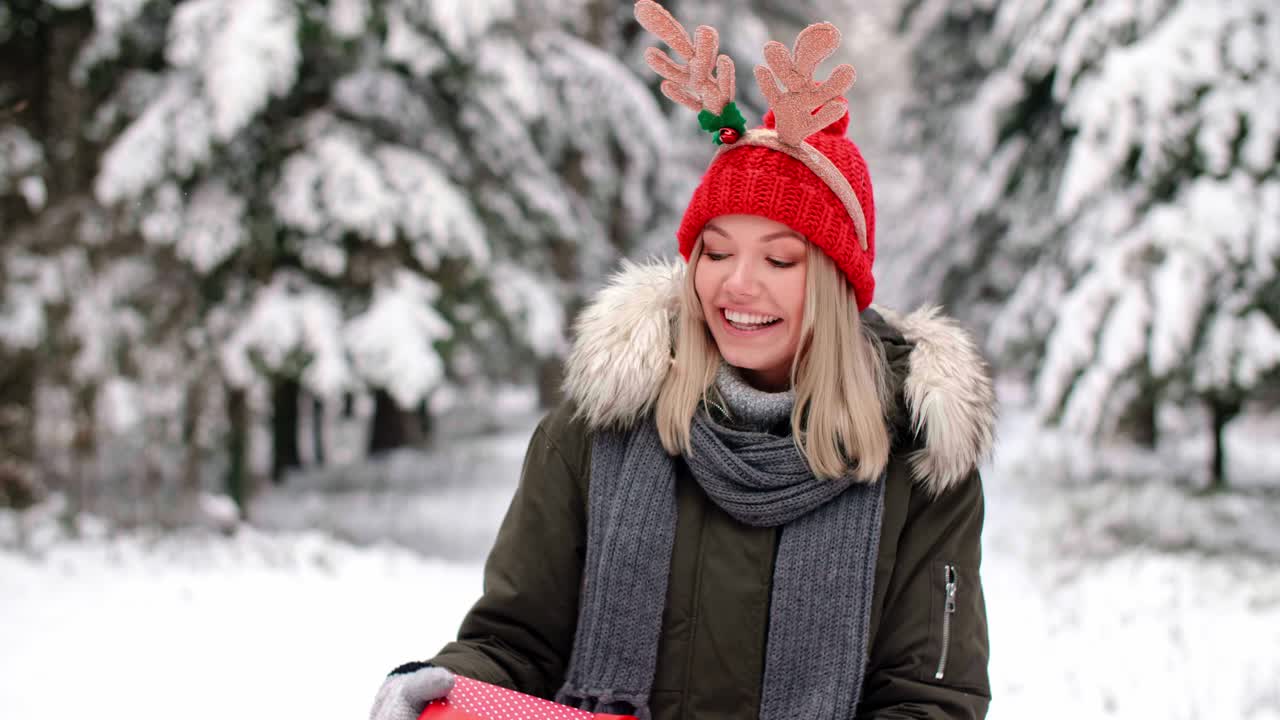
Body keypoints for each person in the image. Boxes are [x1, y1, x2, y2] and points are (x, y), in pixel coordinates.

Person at [369, 2, 995, 719]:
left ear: (834, 282)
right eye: (717, 251)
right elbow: (517, 644)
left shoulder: (919, 466)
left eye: (780, 259)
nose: (737, 284)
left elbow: (926, 702)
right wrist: (442, 689)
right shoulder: (600, 426)